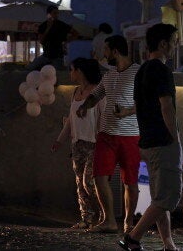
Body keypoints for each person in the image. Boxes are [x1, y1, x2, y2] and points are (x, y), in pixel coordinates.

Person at [118, 24, 181, 251]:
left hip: (146, 141)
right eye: (174, 41)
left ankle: (168, 244)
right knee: (168, 197)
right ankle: (133, 237)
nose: (176, 46)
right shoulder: (161, 70)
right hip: (162, 142)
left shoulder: (142, 70)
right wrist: (174, 137)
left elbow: (138, 105)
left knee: (158, 196)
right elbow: (166, 106)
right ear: (163, 44)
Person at [76, 35, 141, 234]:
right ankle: (109, 220)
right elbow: (97, 94)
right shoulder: (109, 75)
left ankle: (128, 223)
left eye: (105, 50)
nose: (103, 54)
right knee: (99, 176)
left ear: (115, 51)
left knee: (130, 181)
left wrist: (128, 111)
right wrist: (85, 106)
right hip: (106, 134)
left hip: (130, 135)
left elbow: (147, 101)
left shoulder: (138, 72)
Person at [52, 58, 104, 229]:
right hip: (78, 143)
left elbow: (103, 119)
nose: (70, 73)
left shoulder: (98, 92)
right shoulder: (75, 92)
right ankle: (86, 218)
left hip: (95, 143)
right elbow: (70, 121)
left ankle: (105, 215)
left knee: (88, 182)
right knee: (79, 182)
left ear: (80, 71)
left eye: (72, 69)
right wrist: (60, 140)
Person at [27, 5, 78, 71]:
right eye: (54, 13)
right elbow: (41, 41)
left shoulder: (61, 25)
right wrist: (48, 28)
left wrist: (67, 41)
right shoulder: (43, 26)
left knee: (56, 72)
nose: (56, 15)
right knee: (30, 68)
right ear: (49, 14)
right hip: (46, 55)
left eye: (57, 13)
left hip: (58, 56)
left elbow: (76, 33)